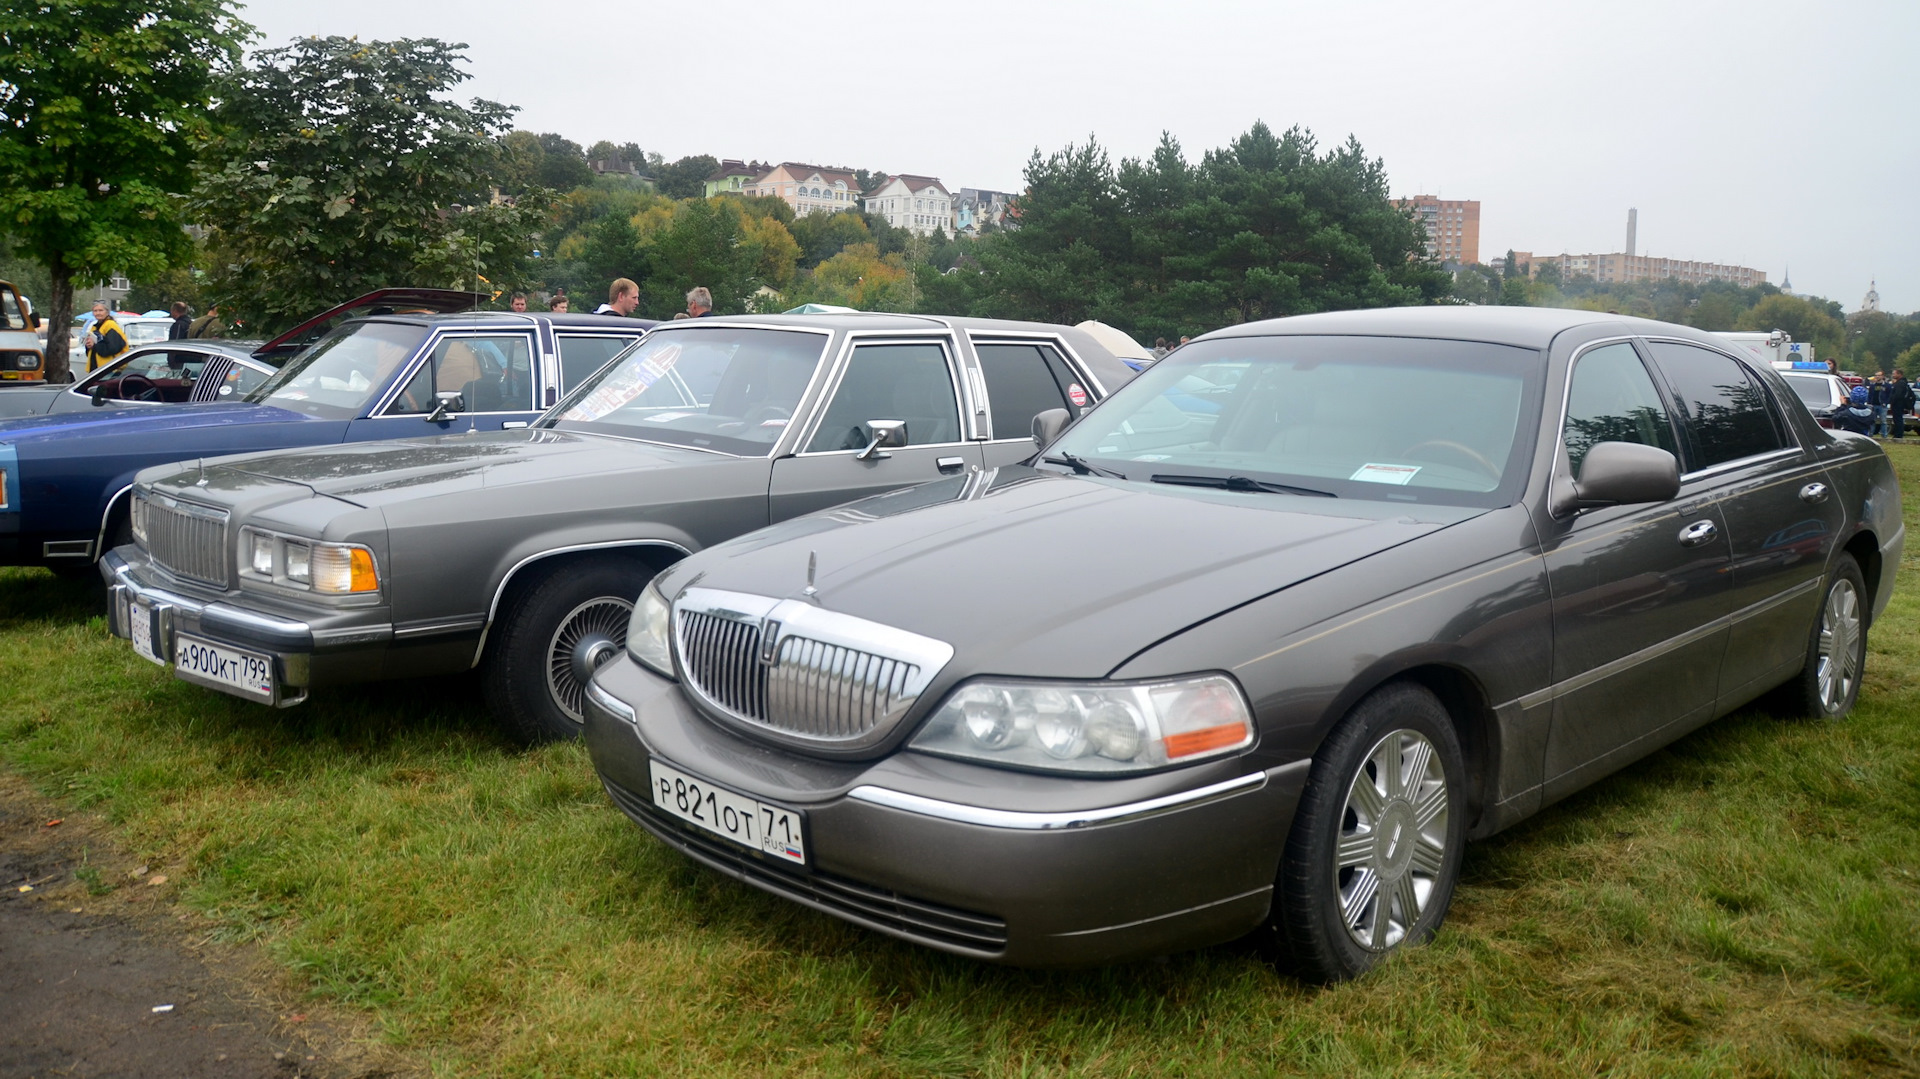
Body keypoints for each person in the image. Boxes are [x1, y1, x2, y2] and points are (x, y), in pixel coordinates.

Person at [84, 302, 128, 372]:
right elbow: (92, 349)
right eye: (95, 311)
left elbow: (113, 348)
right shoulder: (94, 327)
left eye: (101, 310)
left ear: (107, 312)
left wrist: (95, 345)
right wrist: (88, 345)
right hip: (97, 368)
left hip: (109, 369)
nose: (98, 313)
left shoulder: (110, 325)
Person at [1890, 369, 1914, 439]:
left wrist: (1892, 400)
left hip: (1898, 404)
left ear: (1899, 374)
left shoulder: (1900, 383)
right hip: (1899, 403)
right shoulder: (1902, 383)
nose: (1893, 375)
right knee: (1897, 419)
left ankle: (1898, 435)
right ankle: (1898, 434)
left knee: (1898, 419)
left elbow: (1898, 394)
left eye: (1894, 374)